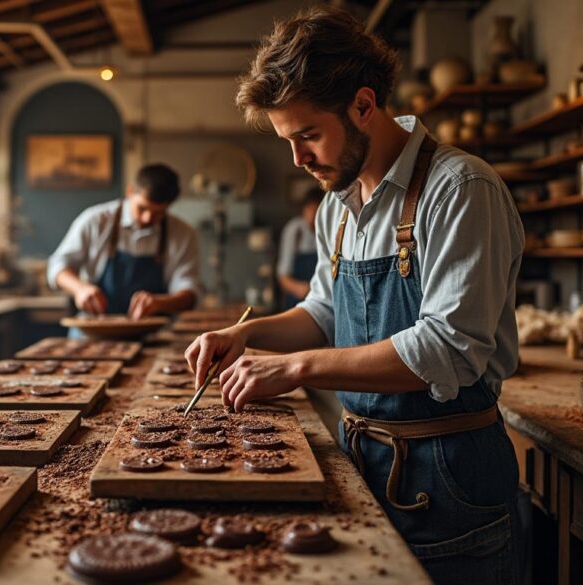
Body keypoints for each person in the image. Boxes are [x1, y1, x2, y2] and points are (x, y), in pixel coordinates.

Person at [185, 7, 524, 584]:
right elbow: (324, 312)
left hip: (448, 472)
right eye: (288, 141)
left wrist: (295, 367)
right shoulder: (337, 208)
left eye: (308, 135)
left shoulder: (458, 188)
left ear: (364, 105)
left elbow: (448, 350)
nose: (298, 159)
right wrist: (246, 333)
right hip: (362, 455)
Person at [48, 163, 200, 321]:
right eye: (142, 208)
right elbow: (57, 266)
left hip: (154, 329)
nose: (147, 218)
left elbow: (189, 290)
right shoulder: (96, 221)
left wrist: (161, 303)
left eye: (158, 213)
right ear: (130, 191)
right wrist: (80, 289)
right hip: (95, 325)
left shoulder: (182, 234)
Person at [277, 188, 324, 310]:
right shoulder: (295, 231)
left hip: (322, 299)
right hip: (297, 300)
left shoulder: (328, 231)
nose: (313, 215)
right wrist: (302, 289)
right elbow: (283, 277)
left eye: (317, 210)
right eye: (310, 209)